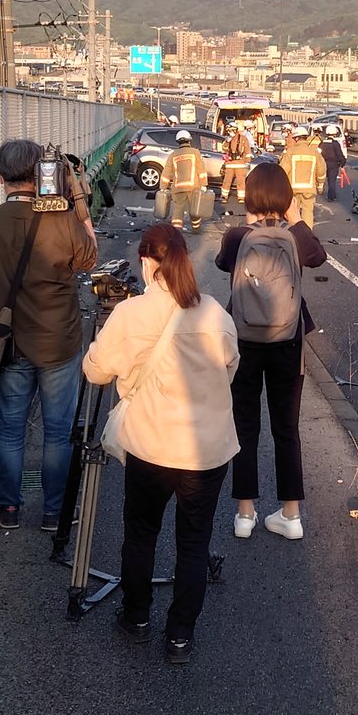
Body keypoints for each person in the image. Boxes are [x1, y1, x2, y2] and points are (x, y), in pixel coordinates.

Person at [83, 222, 239, 665]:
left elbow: (95, 372)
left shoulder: (130, 314)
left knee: (141, 535)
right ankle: (180, 637)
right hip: (207, 452)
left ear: (149, 263)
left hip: (151, 447)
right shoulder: (214, 313)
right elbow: (230, 367)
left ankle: (136, 617)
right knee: (193, 542)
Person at [0, 139, 99, 532]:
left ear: (0, 177)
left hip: (10, 341)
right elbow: (89, 257)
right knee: (58, 431)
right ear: (45, 176)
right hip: (58, 340)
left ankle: (8, 508)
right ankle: (54, 513)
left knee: (10, 427)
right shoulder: (61, 220)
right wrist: (73, 201)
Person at [214, 162, 328, 541]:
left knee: (245, 426)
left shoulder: (236, 237)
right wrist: (293, 218)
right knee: (287, 429)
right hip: (287, 344)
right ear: (285, 197)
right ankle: (291, 516)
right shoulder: (296, 239)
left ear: (250, 197)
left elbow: (221, 264)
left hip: (244, 341)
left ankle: (245, 514)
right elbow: (318, 256)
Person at [158, 130, 210, 232]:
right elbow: (201, 170)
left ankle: (176, 232)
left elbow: (166, 172)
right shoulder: (195, 153)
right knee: (194, 209)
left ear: (178, 142)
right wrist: (204, 184)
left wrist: (163, 187)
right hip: (193, 187)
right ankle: (196, 229)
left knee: (178, 210)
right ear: (189, 140)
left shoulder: (173, 155)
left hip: (178, 188)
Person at [279, 126, 322, 226]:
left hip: (293, 190)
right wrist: (320, 183)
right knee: (308, 213)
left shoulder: (291, 152)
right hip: (309, 189)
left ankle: (295, 233)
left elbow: (283, 170)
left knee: (293, 213)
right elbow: (321, 170)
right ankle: (307, 234)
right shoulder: (314, 152)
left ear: (296, 138)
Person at [220, 123, 253, 208]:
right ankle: (224, 196)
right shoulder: (228, 140)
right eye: (228, 131)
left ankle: (241, 197)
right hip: (230, 163)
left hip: (240, 163)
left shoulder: (243, 139)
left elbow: (247, 151)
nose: (229, 132)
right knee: (227, 181)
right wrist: (227, 141)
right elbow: (223, 149)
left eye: (231, 130)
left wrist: (247, 162)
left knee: (241, 182)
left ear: (235, 130)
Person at [320, 124, 347, 202]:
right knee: (332, 180)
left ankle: (321, 190)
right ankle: (331, 196)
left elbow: (319, 153)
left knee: (323, 178)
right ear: (335, 133)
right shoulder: (335, 143)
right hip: (333, 164)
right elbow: (339, 154)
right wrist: (342, 163)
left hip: (323, 163)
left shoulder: (322, 143)